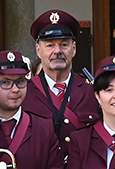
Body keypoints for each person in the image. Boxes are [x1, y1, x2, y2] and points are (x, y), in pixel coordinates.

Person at [23, 10, 99, 158]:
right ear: (39, 51)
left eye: (64, 45)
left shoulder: (92, 90)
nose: (57, 51)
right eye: (50, 45)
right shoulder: (24, 93)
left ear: (74, 49)